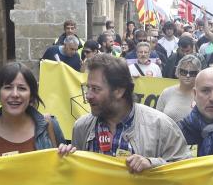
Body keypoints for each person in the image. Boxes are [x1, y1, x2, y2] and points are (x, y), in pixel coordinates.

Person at [60, 53, 190, 173]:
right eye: (87, 88)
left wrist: (152, 164)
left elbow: (186, 169)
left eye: (95, 89)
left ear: (119, 91)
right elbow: (76, 177)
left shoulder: (160, 125)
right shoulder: (81, 127)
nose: (88, 95)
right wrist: (66, 160)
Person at [0, 62, 65, 159]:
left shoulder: (50, 126)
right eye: (8, 88)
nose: (15, 94)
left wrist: (66, 156)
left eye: (22, 88)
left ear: (31, 95)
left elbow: (63, 170)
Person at [157, 54, 203, 125]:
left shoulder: (202, 95)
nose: (188, 76)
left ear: (198, 74)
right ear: (178, 71)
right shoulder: (167, 92)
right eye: (184, 72)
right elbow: (157, 119)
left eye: (192, 73)